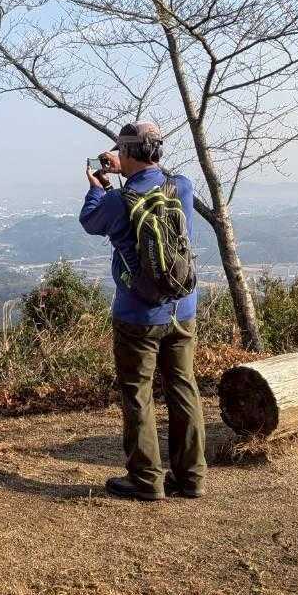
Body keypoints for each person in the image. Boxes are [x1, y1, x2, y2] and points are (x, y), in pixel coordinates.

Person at [79, 122, 207, 501]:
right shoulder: (181, 187)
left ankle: (146, 480)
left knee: (138, 393)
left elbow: (90, 221)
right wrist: (130, 166)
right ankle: (191, 478)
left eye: (121, 149)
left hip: (138, 312)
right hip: (182, 307)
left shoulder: (118, 201)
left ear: (127, 153)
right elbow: (156, 180)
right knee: (183, 387)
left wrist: (98, 186)